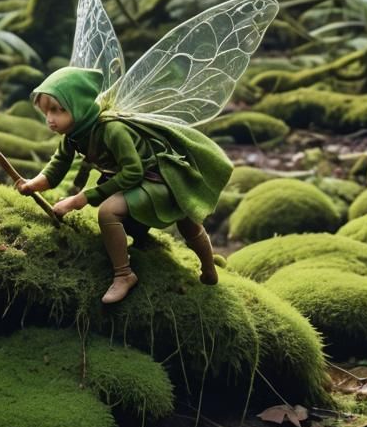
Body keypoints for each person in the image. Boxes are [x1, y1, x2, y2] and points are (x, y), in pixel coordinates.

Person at [16, 65, 232, 305]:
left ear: (78, 106)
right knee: (130, 217)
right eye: (46, 112)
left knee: (177, 221)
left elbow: (133, 172)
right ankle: (139, 251)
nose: (50, 119)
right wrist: (32, 185)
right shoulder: (75, 135)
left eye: (58, 111)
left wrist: (80, 199)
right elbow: (58, 166)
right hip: (132, 181)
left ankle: (129, 274)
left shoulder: (112, 129)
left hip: (160, 179)